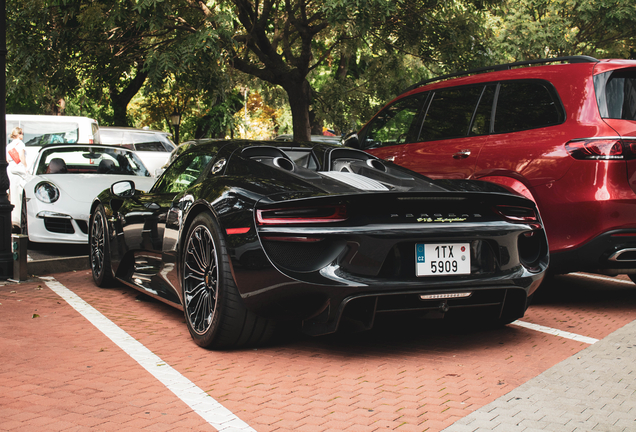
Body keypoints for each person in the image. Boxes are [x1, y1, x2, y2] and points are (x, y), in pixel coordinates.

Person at [6, 127, 30, 231]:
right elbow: (21, 156)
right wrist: (25, 167)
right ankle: (18, 221)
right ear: (19, 134)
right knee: (20, 194)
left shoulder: (9, 145)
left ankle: (13, 218)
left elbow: (7, 159)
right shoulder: (20, 144)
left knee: (13, 194)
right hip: (19, 168)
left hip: (10, 168)